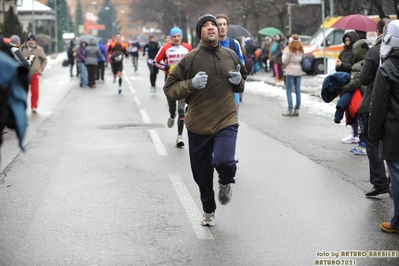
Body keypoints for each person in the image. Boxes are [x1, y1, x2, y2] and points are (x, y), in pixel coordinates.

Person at [163, 13, 247, 227]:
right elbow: (170, 88)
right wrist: (190, 84)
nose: (212, 28)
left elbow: (241, 81)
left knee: (224, 161)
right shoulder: (190, 59)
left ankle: (225, 181)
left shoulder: (230, 55)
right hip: (199, 123)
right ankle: (208, 209)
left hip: (226, 119)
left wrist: (239, 82)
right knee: (201, 175)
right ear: (200, 31)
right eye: (206, 25)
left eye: (214, 25)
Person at [368, 19, 399, 233]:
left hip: (393, 131)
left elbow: (378, 106)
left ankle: (398, 221)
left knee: (396, 174)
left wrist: (373, 134)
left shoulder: (387, 68)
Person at [359, 18, 391, 197]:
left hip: (374, 102)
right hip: (394, 104)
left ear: (379, 32)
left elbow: (363, 79)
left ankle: (380, 182)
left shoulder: (374, 52)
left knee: (372, 141)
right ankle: (393, 182)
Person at [153, 27, 192, 147]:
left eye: (178, 36)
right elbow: (155, 62)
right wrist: (166, 67)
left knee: (181, 109)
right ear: (170, 37)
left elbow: (193, 61)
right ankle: (171, 115)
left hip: (183, 82)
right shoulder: (165, 48)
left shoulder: (188, 48)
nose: (176, 38)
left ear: (181, 37)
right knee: (172, 108)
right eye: (174, 36)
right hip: (170, 81)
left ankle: (179, 136)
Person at [216, 13, 246, 162]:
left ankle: (231, 152)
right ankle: (215, 149)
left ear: (227, 26)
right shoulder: (210, 44)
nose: (222, 27)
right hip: (215, 90)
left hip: (232, 89)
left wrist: (237, 72)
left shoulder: (234, 44)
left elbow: (242, 63)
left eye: (224, 24)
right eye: (219, 24)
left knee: (232, 121)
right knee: (215, 120)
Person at [335, 31, 359, 144]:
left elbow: (354, 67)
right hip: (343, 81)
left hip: (352, 81)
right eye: (345, 40)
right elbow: (338, 68)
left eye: (349, 40)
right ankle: (353, 133)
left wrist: (342, 65)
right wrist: (338, 65)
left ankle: (356, 134)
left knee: (353, 108)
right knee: (348, 110)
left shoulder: (356, 52)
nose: (347, 42)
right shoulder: (343, 52)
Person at [20, 34, 47, 113]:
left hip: (34, 73)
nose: (31, 42)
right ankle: (23, 107)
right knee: (24, 91)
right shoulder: (22, 48)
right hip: (24, 73)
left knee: (35, 91)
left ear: (35, 41)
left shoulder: (39, 49)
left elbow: (44, 59)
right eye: (29, 40)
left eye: (32, 40)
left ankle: (34, 106)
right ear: (27, 40)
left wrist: (41, 69)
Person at [281, 34, 304, 117]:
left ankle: (290, 109)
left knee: (289, 90)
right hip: (298, 70)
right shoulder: (301, 49)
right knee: (298, 90)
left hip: (290, 71)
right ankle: (297, 109)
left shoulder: (288, 49)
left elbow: (284, 60)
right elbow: (302, 59)